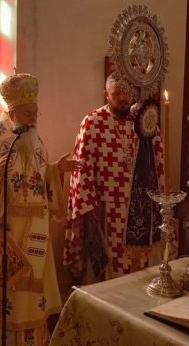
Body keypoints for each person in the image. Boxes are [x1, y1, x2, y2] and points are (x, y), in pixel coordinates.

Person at [0, 73, 81, 346]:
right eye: (28, 113)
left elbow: (37, 177)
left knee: (32, 294)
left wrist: (56, 170)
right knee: (10, 295)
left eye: (35, 112)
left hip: (36, 234)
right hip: (8, 235)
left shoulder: (36, 142)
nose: (33, 118)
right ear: (13, 112)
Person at [64, 74, 164, 283]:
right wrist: (88, 206)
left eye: (126, 93)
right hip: (106, 209)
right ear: (106, 95)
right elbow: (82, 168)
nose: (123, 98)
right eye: (116, 93)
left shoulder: (145, 122)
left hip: (140, 208)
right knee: (109, 266)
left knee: (140, 267)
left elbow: (158, 164)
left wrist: (161, 201)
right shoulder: (93, 122)